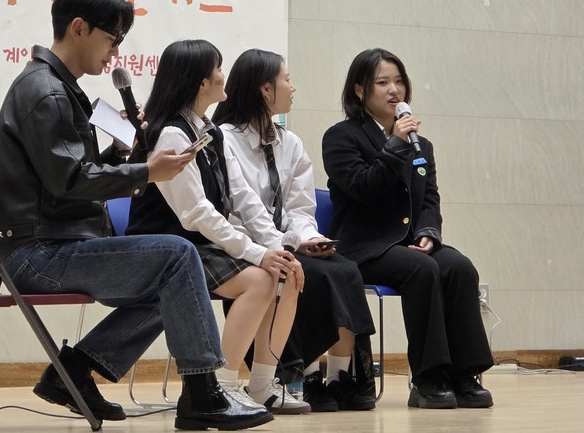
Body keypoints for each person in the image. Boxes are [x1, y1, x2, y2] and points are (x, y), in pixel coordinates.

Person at [0, 0, 272, 430]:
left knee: (174, 278)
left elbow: (66, 175)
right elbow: (69, 181)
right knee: (178, 257)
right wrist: (146, 172)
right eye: (112, 39)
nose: (115, 53)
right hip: (39, 253)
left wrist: (120, 155)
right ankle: (203, 392)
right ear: (79, 28)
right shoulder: (47, 93)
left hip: (50, 245)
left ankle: (75, 370)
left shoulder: (55, 88)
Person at [126, 39, 311, 414]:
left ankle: (261, 385)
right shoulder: (172, 134)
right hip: (170, 248)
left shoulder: (210, 130)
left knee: (285, 274)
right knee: (260, 280)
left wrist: (277, 248)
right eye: (218, 69)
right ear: (201, 82)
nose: (223, 76)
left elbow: (242, 196)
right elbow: (195, 213)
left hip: (198, 244)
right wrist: (256, 253)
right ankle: (222, 386)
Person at [321, 48, 494, 409]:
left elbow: (429, 197)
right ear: (359, 90)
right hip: (362, 247)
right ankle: (428, 379)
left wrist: (429, 232)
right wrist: (395, 146)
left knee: (459, 267)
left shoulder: (421, 145)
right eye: (382, 82)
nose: (394, 90)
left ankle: (463, 374)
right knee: (421, 269)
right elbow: (363, 188)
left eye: (399, 81)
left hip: (409, 243)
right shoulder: (341, 137)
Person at [213, 48, 377, 412]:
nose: (293, 86)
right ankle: (298, 375)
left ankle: (340, 379)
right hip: (245, 245)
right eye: (286, 79)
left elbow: (300, 208)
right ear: (265, 89)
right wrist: (280, 246)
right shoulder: (224, 139)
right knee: (300, 274)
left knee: (345, 270)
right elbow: (241, 209)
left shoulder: (290, 142)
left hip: (285, 242)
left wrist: (308, 239)